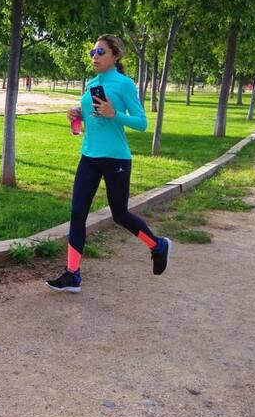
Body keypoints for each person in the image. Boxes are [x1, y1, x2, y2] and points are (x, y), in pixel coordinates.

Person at [46, 34, 172, 293]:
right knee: (77, 213)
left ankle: (158, 246)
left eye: (101, 52)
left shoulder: (124, 84)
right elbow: (93, 117)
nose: (95, 56)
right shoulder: (92, 83)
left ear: (115, 55)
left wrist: (115, 114)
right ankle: (73, 274)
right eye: (93, 52)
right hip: (89, 156)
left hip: (116, 158)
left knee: (120, 214)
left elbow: (141, 122)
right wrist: (77, 115)